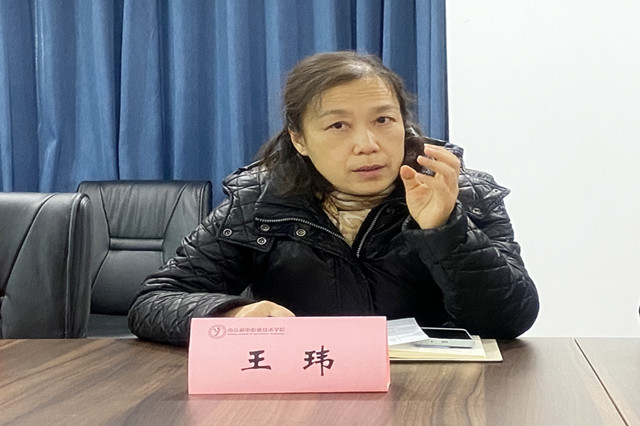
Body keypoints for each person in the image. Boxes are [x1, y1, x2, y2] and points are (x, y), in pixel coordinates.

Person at [128, 51, 539, 345]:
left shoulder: (461, 191)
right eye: (338, 126)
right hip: (305, 388)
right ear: (300, 139)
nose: (367, 144)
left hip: (429, 393)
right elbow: (154, 302)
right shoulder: (259, 201)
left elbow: (508, 322)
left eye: (383, 119)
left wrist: (445, 229)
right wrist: (232, 314)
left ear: (405, 124)